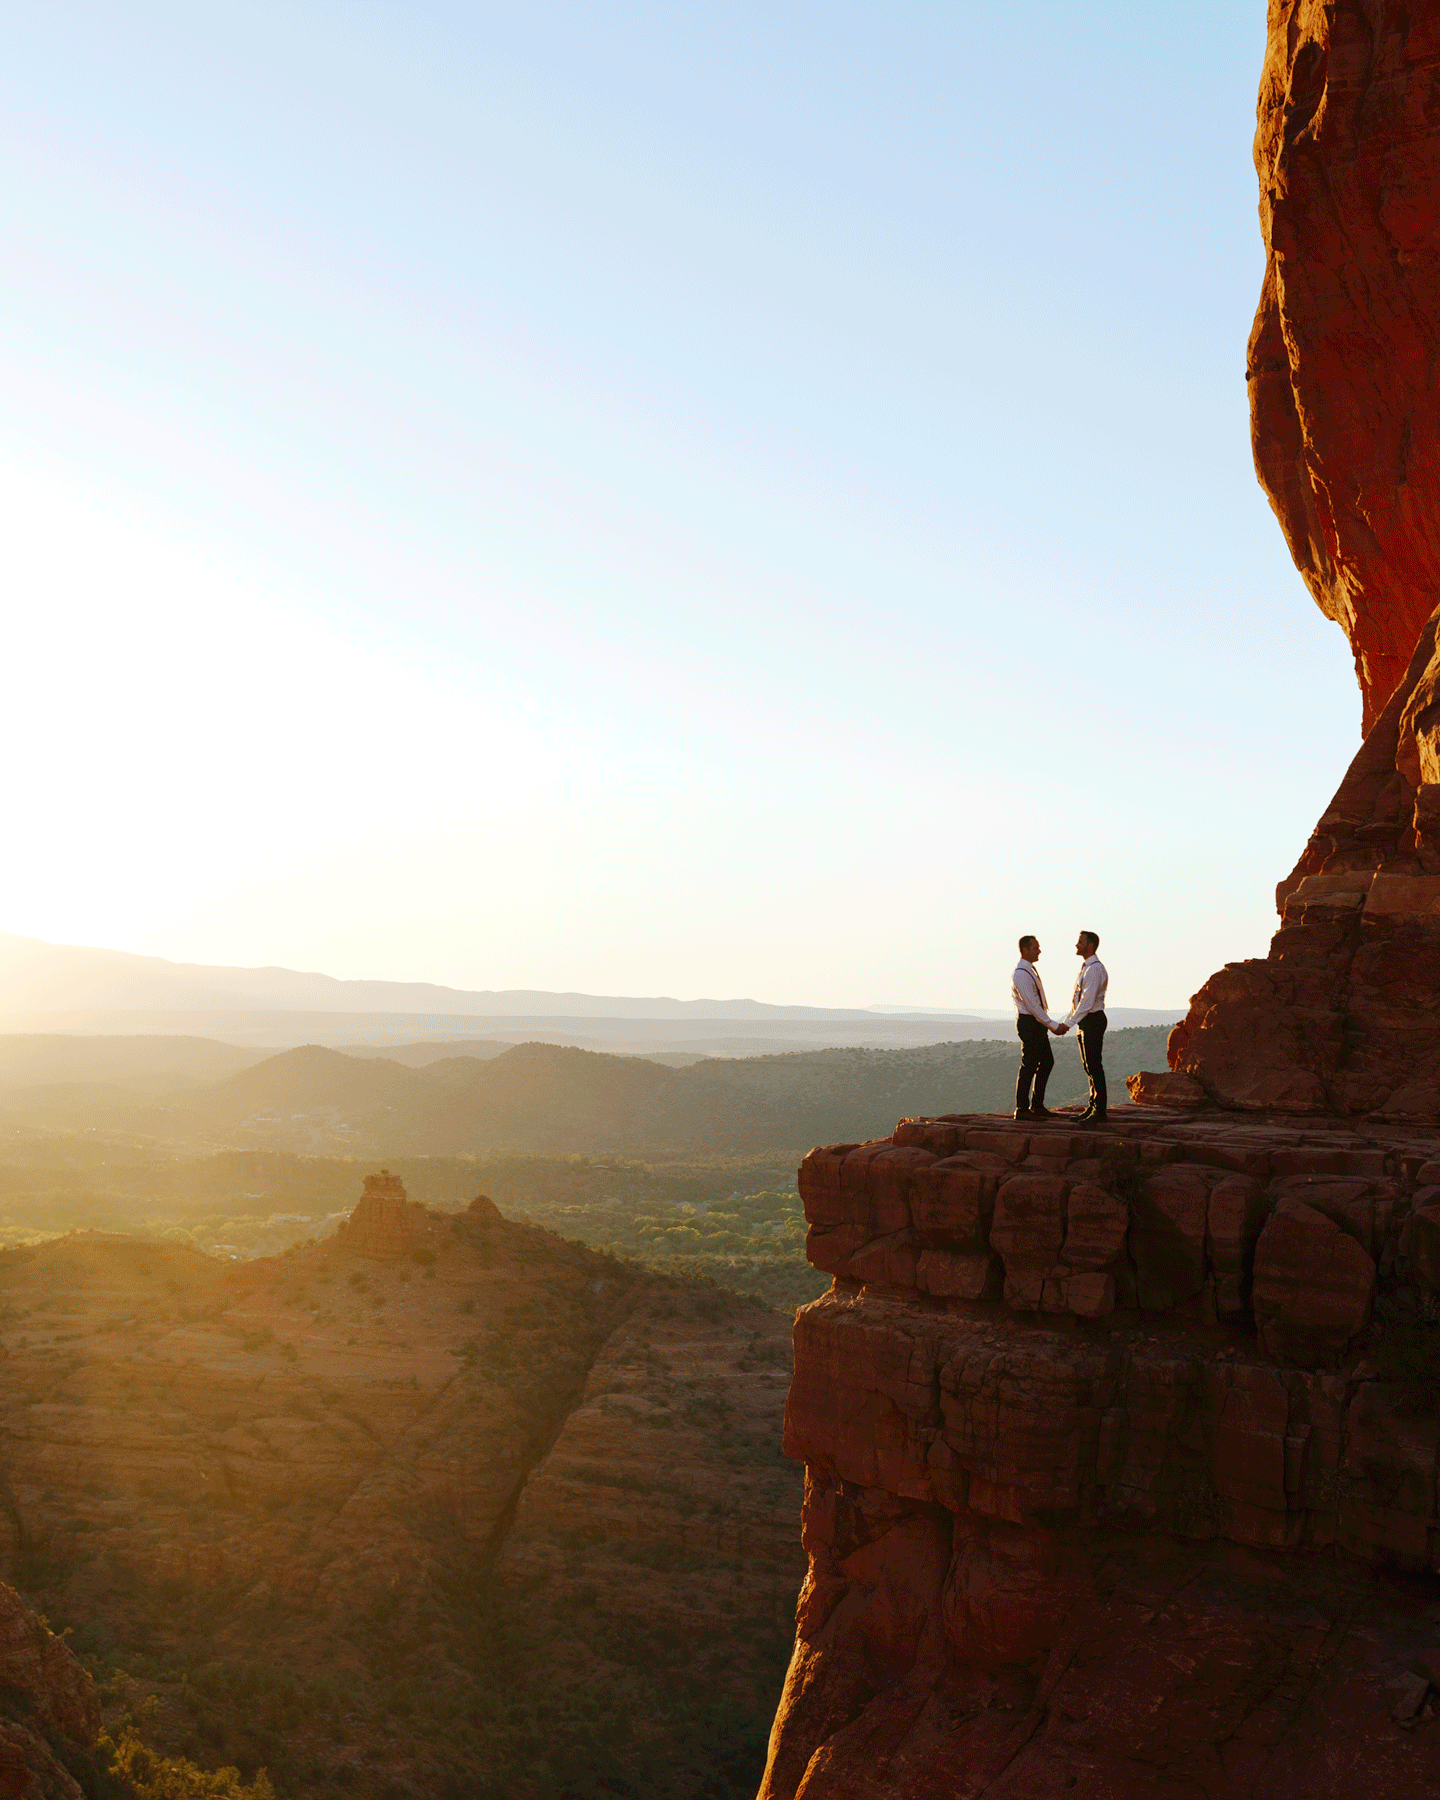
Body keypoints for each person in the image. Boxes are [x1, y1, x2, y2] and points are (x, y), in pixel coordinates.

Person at [1011, 935, 1064, 1120]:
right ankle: (1022, 1109)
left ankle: (1037, 1105)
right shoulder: (1020, 974)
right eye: (1036, 948)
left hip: (1036, 1023)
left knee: (1046, 1062)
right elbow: (1033, 1005)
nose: (1039, 950)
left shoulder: (1030, 970)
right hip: (1029, 1023)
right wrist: (1053, 1025)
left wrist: (1047, 1024)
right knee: (1029, 1065)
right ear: (1025, 950)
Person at [1063, 930, 1109, 1124]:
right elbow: (1078, 1002)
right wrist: (1071, 1020)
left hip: (1093, 1020)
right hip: (1085, 1021)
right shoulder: (1087, 968)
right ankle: (1092, 1107)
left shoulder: (1095, 969)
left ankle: (1099, 1112)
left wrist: (1067, 1024)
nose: (1076, 945)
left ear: (1090, 945)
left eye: (1080, 942)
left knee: (1094, 1065)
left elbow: (1087, 1002)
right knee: (1088, 1066)